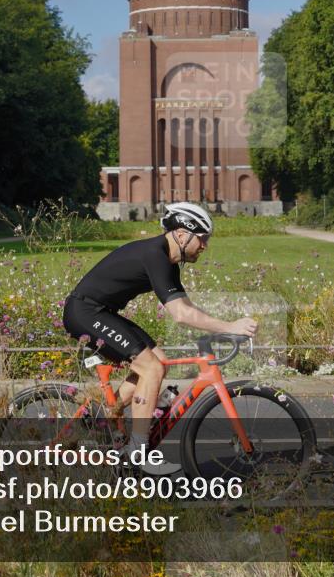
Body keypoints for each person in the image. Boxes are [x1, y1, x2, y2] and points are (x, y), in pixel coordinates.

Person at [62, 202, 257, 475]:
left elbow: (186, 308)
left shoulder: (168, 261)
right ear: (182, 234)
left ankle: (101, 417)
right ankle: (138, 453)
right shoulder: (155, 255)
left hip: (100, 311)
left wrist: (222, 329)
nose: (205, 246)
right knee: (151, 368)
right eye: (202, 238)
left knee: (159, 362)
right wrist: (229, 327)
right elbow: (181, 315)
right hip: (84, 312)